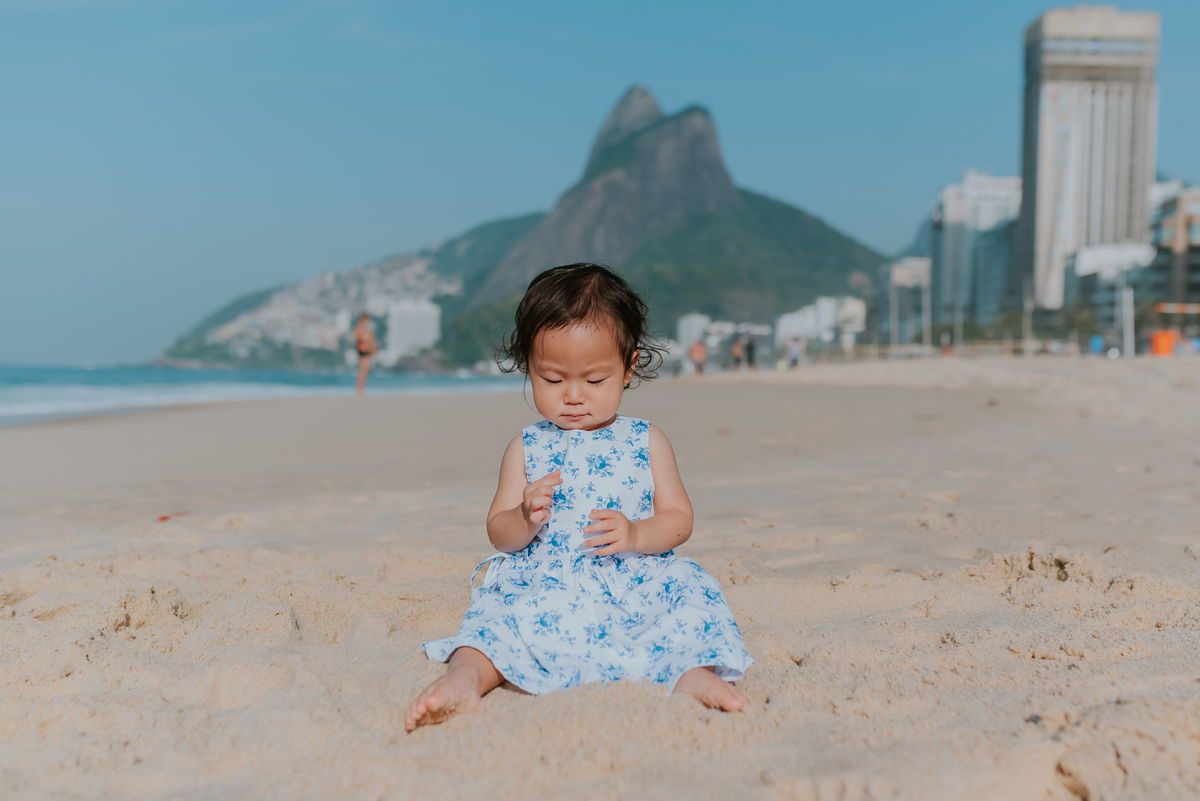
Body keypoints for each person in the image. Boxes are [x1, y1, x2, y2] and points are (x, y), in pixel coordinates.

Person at [405, 263, 753, 731]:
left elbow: (679, 520)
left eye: (594, 381)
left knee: (688, 601)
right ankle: (465, 678)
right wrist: (525, 517)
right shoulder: (525, 446)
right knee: (496, 618)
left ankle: (692, 674)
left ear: (628, 369)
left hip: (632, 574)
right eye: (552, 380)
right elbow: (498, 534)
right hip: (549, 579)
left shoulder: (647, 441)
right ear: (530, 367)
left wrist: (635, 532)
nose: (572, 396)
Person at [353, 314, 377, 396]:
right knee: (362, 371)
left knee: (365, 371)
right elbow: (360, 338)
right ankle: (359, 390)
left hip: (366, 350)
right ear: (363, 319)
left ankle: (361, 389)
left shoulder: (364, 328)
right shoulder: (359, 328)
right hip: (362, 351)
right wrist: (368, 337)